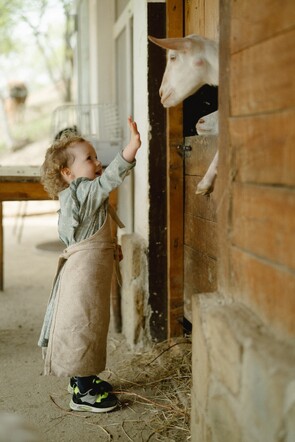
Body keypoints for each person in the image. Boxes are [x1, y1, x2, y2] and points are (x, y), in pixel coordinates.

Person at [38, 116, 141, 413]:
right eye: (89, 158)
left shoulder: (82, 196)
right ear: (68, 173)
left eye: (96, 157)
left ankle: (82, 379)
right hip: (83, 276)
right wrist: (131, 147)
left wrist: (112, 248)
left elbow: (91, 235)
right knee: (83, 325)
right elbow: (111, 179)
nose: (97, 163)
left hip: (88, 271)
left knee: (90, 323)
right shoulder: (84, 191)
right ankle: (82, 393)